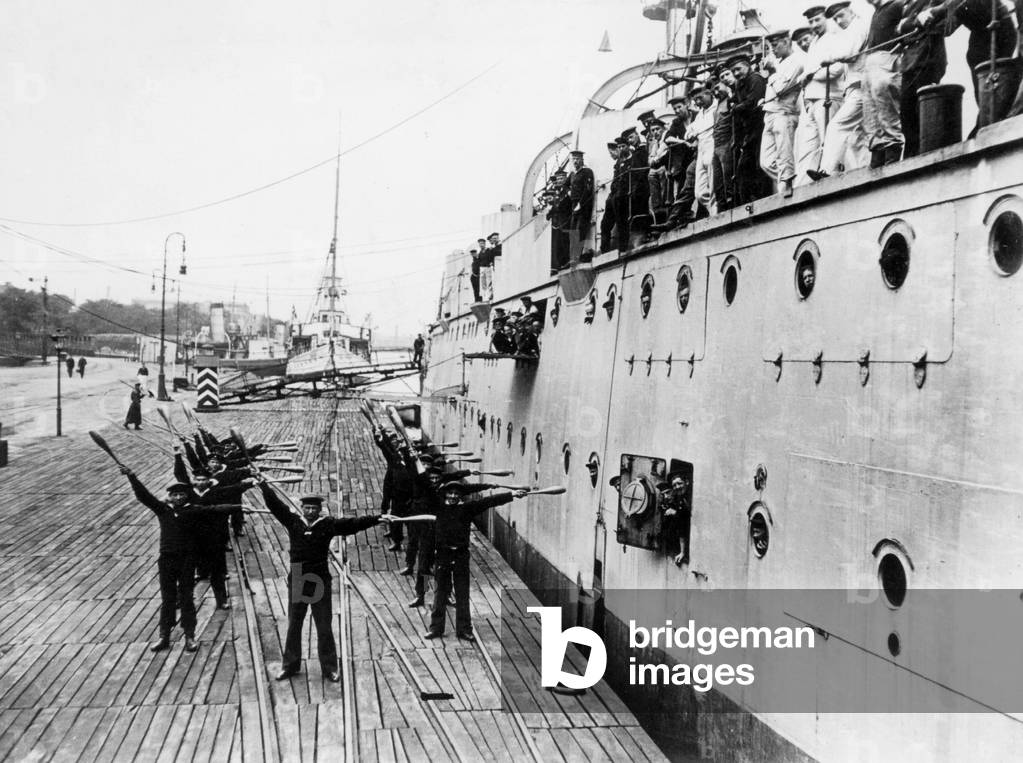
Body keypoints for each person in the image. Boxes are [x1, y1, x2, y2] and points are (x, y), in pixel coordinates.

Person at [259, 481, 387, 681]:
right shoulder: (293, 522)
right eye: (307, 508)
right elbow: (276, 506)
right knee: (294, 625)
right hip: (298, 576)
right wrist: (264, 487)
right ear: (302, 508)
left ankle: (330, 668)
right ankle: (290, 665)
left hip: (318, 578)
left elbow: (352, 524)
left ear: (319, 510)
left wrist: (377, 519)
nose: (310, 511)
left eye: (314, 508)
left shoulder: (327, 525)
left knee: (324, 626)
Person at [120, 468, 233, 652]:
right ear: (170, 497)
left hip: (187, 561)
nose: (179, 497)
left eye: (182, 494)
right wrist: (132, 477)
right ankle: (164, 636)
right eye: (175, 495)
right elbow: (144, 496)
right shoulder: (163, 510)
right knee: (168, 599)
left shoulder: (193, 511)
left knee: (186, 597)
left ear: (187, 496)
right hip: (167, 561)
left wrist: (239, 508)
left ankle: (189, 636)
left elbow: (215, 509)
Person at [425, 482, 528, 641]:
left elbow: (489, 501)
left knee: (462, 593)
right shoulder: (438, 508)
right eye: (450, 493)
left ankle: (464, 630)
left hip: (460, 556)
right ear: (445, 494)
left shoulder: (467, 509)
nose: (453, 496)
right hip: (443, 556)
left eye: (456, 494)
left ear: (460, 495)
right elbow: (423, 488)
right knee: (440, 594)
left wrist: (512, 495)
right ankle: (436, 628)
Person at [921, 0, 1018, 131]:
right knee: (981, 82)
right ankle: (985, 123)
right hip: (981, 34)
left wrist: (934, 12)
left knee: (994, 84)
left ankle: (991, 124)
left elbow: (955, 4)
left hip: (998, 29)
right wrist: (927, 21)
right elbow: (948, 28)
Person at [811, 2, 872, 180]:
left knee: (837, 126)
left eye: (841, 16)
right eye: (835, 18)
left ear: (851, 12)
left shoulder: (857, 27)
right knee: (859, 135)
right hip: (858, 86)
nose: (838, 21)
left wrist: (830, 58)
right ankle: (863, 172)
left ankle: (827, 170)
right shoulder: (851, 30)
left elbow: (849, 54)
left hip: (860, 85)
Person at [796, 6, 845, 185]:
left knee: (829, 140)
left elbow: (837, 68)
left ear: (826, 18)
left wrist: (811, 75)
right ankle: (803, 184)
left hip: (828, 96)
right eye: (811, 21)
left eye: (817, 19)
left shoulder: (834, 38)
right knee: (809, 145)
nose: (814, 24)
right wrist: (806, 76)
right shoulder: (814, 43)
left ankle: (834, 177)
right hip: (812, 100)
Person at [896, 1, 948, 157]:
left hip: (928, 60)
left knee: (924, 110)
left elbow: (939, 17)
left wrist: (910, 24)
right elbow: (899, 32)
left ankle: (925, 152)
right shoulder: (907, 6)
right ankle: (911, 155)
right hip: (909, 65)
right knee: (906, 113)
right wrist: (911, 23)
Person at [861, 0, 906, 168]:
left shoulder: (897, 5)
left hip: (887, 57)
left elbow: (907, 25)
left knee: (885, 102)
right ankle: (877, 150)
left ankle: (892, 149)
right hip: (870, 62)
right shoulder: (876, 13)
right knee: (870, 109)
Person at [761, 31, 805, 198]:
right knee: (766, 162)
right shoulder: (780, 63)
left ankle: (788, 185)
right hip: (770, 113)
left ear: (787, 42)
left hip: (784, 113)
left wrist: (772, 72)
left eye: (775, 45)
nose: (773, 50)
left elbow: (780, 89)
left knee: (784, 151)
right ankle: (791, 178)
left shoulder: (797, 61)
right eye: (771, 47)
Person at [728, 53, 770, 205]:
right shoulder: (740, 85)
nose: (736, 73)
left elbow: (753, 102)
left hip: (760, 127)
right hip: (749, 131)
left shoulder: (755, 79)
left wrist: (736, 108)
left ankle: (763, 200)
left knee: (758, 165)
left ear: (748, 66)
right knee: (743, 168)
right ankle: (749, 202)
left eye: (738, 69)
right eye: (733, 71)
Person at [711, 69, 736, 212]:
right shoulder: (718, 105)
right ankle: (721, 207)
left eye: (717, 88)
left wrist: (732, 141)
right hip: (716, 146)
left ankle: (731, 206)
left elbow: (734, 122)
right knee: (717, 181)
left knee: (728, 178)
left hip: (726, 144)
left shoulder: (730, 100)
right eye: (713, 91)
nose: (716, 93)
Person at [568, 150, 595, 263]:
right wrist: (569, 191)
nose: (575, 161)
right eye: (574, 159)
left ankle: (578, 256)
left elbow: (588, 189)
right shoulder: (573, 174)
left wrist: (580, 204)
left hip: (584, 205)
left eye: (577, 159)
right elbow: (566, 185)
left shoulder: (587, 172)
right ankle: (573, 256)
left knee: (580, 229)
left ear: (582, 160)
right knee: (573, 229)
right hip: (574, 204)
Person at [546, 170, 572, 272]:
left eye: (562, 178)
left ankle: (566, 262)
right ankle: (560, 264)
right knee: (559, 244)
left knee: (566, 242)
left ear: (565, 178)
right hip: (560, 222)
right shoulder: (559, 191)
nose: (560, 180)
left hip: (566, 220)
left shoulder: (567, 190)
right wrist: (549, 214)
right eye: (558, 179)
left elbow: (565, 204)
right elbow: (556, 206)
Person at [599, 141, 622, 254]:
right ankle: (604, 249)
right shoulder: (617, 163)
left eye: (611, 152)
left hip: (619, 197)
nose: (611, 155)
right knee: (604, 224)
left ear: (617, 149)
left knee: (620, 222)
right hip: (613, 197)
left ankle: (622, 247)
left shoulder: (623, 162)